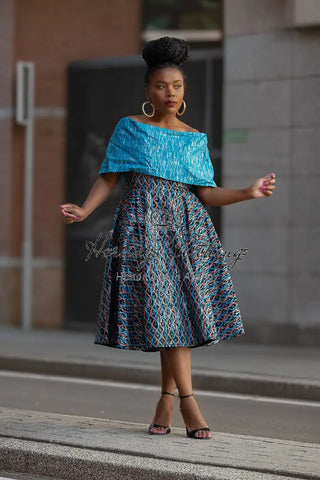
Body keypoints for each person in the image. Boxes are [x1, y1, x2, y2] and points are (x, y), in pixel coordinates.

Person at [60, 37, 276, 440]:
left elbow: (207, 194)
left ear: (184, 90)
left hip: (189, 231)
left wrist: (249, 192)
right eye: (162, 86)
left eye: (177, 86)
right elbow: (110, 176)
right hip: (142, 230)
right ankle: (188, 402)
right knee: (165, 313)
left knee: (171, 316)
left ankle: (167, 399)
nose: (170, 93)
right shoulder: (130, 128)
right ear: (148, 91)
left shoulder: (194, 138)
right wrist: (85, 210)